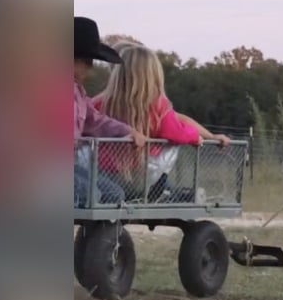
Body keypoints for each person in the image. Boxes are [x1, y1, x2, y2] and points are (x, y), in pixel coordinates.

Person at [92, 45, 231, 199]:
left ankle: (166, 191)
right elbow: (175, 132)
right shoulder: (158, 105)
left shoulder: (100, 103)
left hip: (101, 173)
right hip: (139, 176)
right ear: (153, 75)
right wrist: (194, 137)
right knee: (168, 147)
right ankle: (169, 194)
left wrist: (209, 135)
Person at [74, 16, 147, 207]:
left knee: (113, 194)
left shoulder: (78, 93)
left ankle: (102, 238)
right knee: (89, 196)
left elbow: (95, 121)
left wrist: (128, 131)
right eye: (87, 61)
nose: (90, 68)